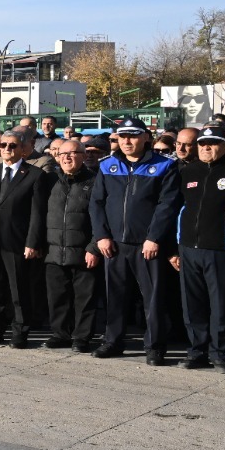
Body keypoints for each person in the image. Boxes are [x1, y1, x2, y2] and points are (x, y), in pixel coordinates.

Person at [91, 117, 181, 363]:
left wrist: (154, 238)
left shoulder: (164, 166)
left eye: (132, 136)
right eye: (122, 136)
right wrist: (102, 236)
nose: (127, 141)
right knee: (115, 296)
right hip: (115, 244)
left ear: (145, 137)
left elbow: (167, 205)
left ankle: (154, 346)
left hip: (147, 245)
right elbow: (97, 203)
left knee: (152, 298)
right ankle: (113, 341)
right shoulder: (107, 165)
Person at [0, 133, 46, 347]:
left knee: (18, 290)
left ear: (23, 149)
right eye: (3, 145)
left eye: (12, 145)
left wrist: (32, 242)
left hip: (18, 242)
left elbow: (37, 213)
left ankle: (20, 332)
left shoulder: (35, 175)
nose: (7, 148)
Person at [172, 124, 225, 371]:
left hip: (221, 249)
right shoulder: (189, 171)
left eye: (213, 143)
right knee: (192, 303)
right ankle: (197, 350)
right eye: (203, 143)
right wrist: (175, 246)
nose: (207, 147)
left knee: (221, 305)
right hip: (188, 247)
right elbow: (178, 209)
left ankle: (219, 353)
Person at [43, 138, 101, 351]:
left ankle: (82, 337)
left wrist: (94, 247)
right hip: (54, 251)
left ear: (84, 156)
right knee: (58, 297)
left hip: (83, 252)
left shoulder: (95, 182)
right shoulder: (50, 181)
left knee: (84, 299)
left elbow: (101, 218)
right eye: (62, 154)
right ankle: (60, 334)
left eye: (73, 153)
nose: (67, 157)